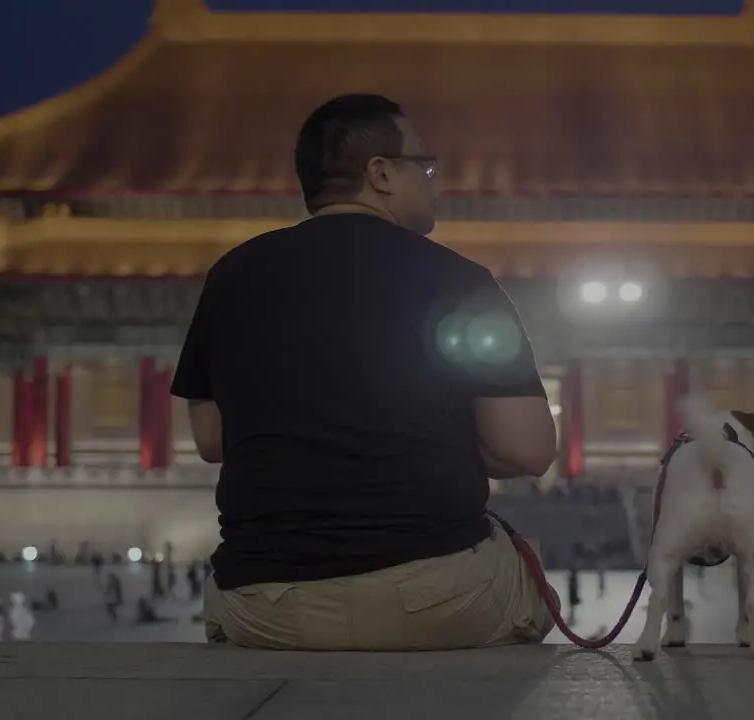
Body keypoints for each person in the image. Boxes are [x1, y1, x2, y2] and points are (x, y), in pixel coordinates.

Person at [173, 94, 558, 651]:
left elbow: (211, 440)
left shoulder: (230, 276)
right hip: (434, 599)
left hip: (264, 602)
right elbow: (527, 451)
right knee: (531, 581)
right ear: (379, 173)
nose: (434, 181)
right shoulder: (459, 281)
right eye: (425, 166)